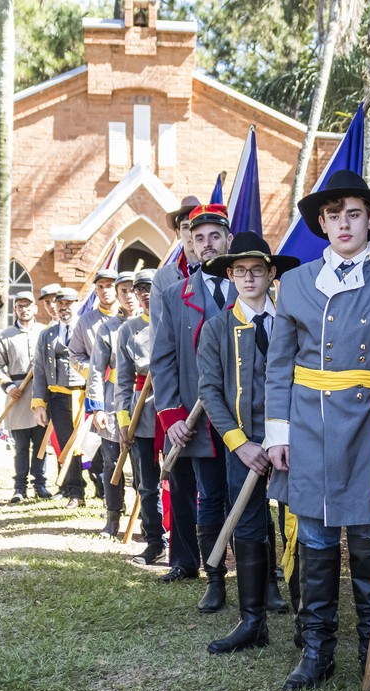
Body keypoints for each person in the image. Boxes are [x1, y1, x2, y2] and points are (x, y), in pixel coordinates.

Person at [264, 170, 370, 691]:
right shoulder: (293, 283)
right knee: (313, 539)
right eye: (333, 216)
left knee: (367, 541)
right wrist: (276, 433)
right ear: (321, 223)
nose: (343, 224)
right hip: (309, 426)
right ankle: (316, 652)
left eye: (353, 214)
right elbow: (279, 367)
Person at [196, 232, 300, 654]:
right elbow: (210, 392)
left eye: (257, 270)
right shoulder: (217, 328)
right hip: (245, 446)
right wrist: (240, 445)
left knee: (298, 525)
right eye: (240, 271)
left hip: (293, 441)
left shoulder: (293, 320)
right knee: (250, 526)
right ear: (230, 276)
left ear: (272, 273)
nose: (249, 278)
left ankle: (307, 622)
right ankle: (252, 622)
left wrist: (289, 435)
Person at [150, 203, 236, 607]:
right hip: (199, 421)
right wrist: (172, 417)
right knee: (210, 497)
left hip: (244, 419)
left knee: (251, 499)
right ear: (189, 243)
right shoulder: (173, 294)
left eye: (214, 236)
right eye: (198, 237)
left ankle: (264, 578)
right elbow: (163, 360)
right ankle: (214, 580)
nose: (206, 244)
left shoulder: (250, 286)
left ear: (228, 240)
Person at [147, 194, 205, 582]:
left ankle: (231, 555)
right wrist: (170, 411)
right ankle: (184, 558)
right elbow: (160, 348)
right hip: (182, 395)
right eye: (185, 229)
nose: (191, 236)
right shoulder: (166, 280)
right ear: (180, 234)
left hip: (223, 397)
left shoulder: (230, 273)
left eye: (197, 230)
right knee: (181, 482)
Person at [115, 269, 165, 564]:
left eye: (150, 286)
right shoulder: (128, 330)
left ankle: (187, 543)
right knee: (147, 482)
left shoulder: (172, 318)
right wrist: (123, 421)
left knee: (183, 481)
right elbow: (122, 380)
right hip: (141, 411)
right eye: (140, 288)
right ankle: (154, 540)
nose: (146, 292)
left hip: (174, 409)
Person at [0, 291, 51, 503]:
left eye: (27, 306)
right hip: (17, 396)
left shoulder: (45, 332)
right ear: (14, 309)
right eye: (19, 306)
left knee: (40, 444)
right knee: (20, 446)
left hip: (41, 395)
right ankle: (19, 487)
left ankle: (40, 484)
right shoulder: (5, 335)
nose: (23, 310)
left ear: (34, 308)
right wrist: (8, 387)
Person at [70, 267, 121, 506]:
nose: (104, 291)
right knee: (105, 449)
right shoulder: (86, 321)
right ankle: (110, 503)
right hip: (101, 392)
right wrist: (95, 371)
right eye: (100, 287)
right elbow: (75, 355)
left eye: (109, 286)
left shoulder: (131, 316)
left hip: (133, 391)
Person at [32, 288, 87, 509]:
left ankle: (106, 491)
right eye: (60, 303)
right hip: (58, 397)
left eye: (69, 303)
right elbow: (39, 370)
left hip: (84, 396)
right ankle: (75, 491)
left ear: (77, 304)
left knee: (94, 447)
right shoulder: (47, 335)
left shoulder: (87, 329)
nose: (64, 307)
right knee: (66, 446)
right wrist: (39, 403)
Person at [86, 271, 131, 537]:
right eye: (122, 290)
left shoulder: (156, 322)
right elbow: (95, 370)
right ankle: (113, 518)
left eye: (132, 290)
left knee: (148, 466)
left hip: (147, 401)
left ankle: (154, 522)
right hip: (114, 401)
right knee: (111, 463)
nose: (129, 296)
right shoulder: (108, 328)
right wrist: (97, 407)